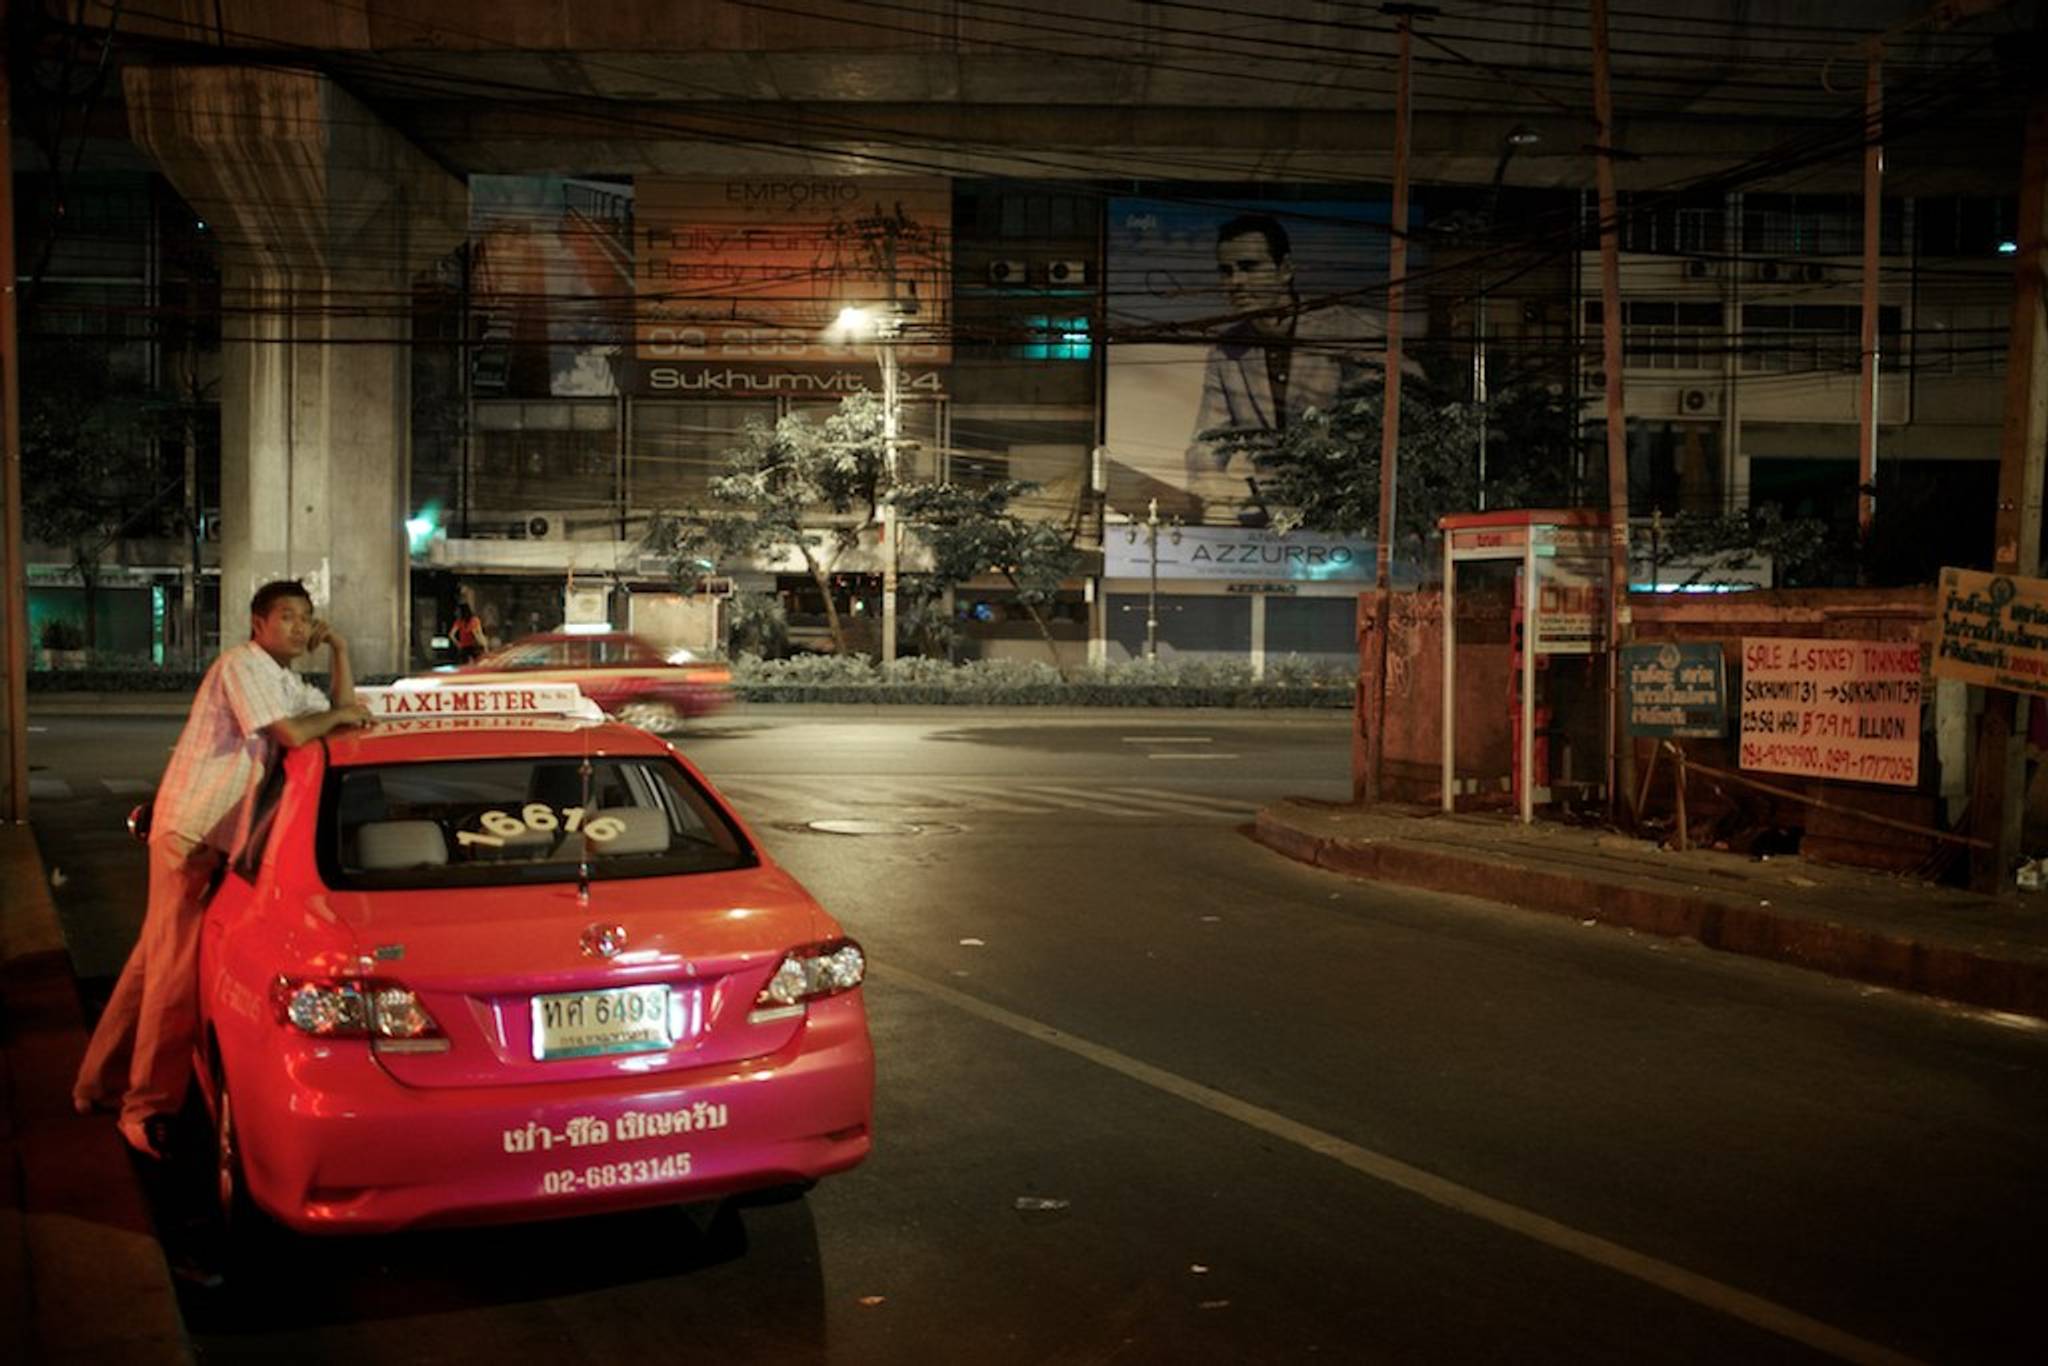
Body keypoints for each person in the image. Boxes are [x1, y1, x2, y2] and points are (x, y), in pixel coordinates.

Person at [72, 579, 372, 1159]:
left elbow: (345, 715)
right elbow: (294, 732)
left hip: (209, 838)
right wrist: (337, 713)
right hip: (190, 832)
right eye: (287, 617)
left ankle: (96, 1081)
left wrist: (339, 653)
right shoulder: (242, 665)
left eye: (307, 619)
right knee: (172, 977)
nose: (299, 628)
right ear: (258, 622)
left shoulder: (285, 680)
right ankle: (146, 1109)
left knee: (148, 964)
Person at [1186, 213, 1390, 523]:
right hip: (1269, 515)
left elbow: (1388, 422)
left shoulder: (1349, 327)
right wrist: (1221, 499)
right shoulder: (1226, 351)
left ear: (1286, 270)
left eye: (1249, 267)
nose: (1236, 282)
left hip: (1351, 512)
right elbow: (1206, 448)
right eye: (1226, 271)